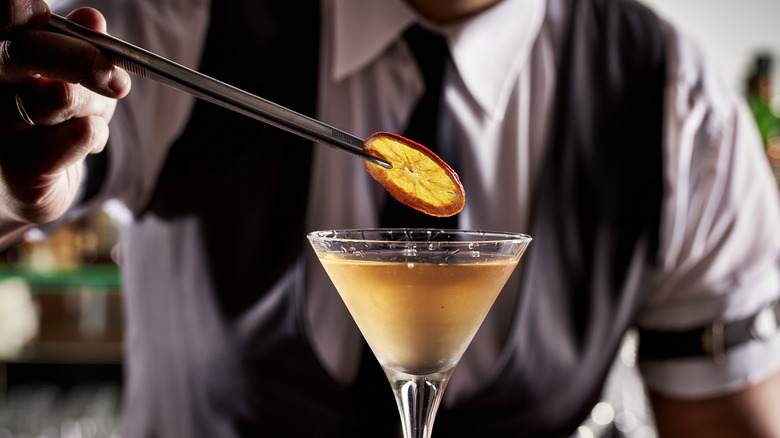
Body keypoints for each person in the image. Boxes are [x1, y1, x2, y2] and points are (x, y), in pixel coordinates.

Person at [2, 0, 780, 436]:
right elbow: (53, 154)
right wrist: (15, 167)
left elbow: (727, 420)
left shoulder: (678, 104)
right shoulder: (183, 19)